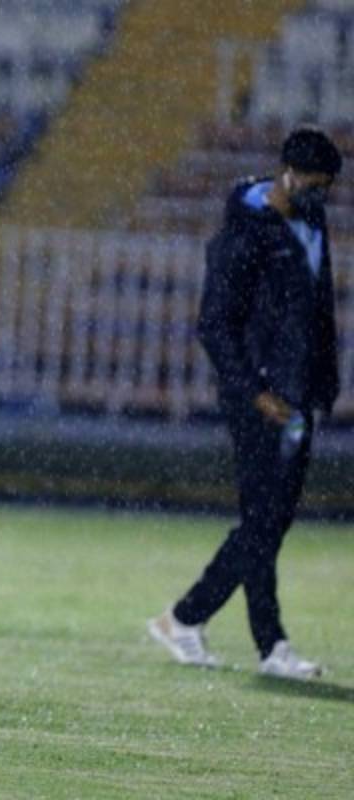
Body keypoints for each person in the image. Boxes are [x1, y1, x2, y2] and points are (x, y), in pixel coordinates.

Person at [148, 127, 341, 681]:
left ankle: (236, 634)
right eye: (313, 183)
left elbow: (315, 310)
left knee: (267, 522)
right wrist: (254, 390)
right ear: (287, 171)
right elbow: (214, 324)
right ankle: (212, 625)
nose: (319, 195)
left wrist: (319, 383)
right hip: (260, 398)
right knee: (264, 522)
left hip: (298, 393)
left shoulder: (309, 220)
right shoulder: (245, 232)